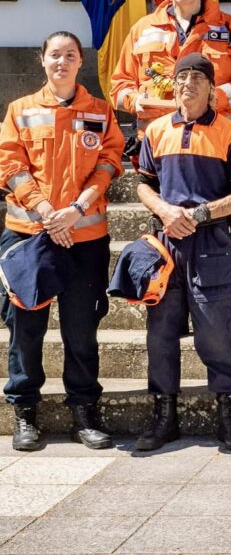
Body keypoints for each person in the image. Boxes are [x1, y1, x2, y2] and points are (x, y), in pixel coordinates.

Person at [110, 0, 231, 340]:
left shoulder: (228, 28)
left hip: (214, 148)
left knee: (229, 234)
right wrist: (134, 101)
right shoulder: (143, 29)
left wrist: (213, 99)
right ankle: (170, 312)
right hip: (160, 148)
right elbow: (119, 84)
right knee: (165, 231)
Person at [0, 31, 124, 451]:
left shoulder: (100, 112)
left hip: (85, 237)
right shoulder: (20, 111)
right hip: (30, 237)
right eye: (55, 55)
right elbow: (11, 165)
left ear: (79, 62)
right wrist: (43, 210)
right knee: (25, 328)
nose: (62, 62)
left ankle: (84, 413)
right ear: (42, 60)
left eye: (70, 55)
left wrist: (76, 207)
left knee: (81, 329)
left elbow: (109, 162)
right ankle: (25, 413)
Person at [134, 53, 231, 452]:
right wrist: (167, 212)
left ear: (210, 86)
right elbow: (143, 185)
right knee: (161, 334)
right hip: (166, 243)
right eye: (181, 77)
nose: (187, 84)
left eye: (196, 77)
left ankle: (228, 414)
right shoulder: (154, 131)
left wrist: (201, 213)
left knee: (215, 333)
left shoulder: (229, 133)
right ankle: (164, 416)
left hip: (211, 243)